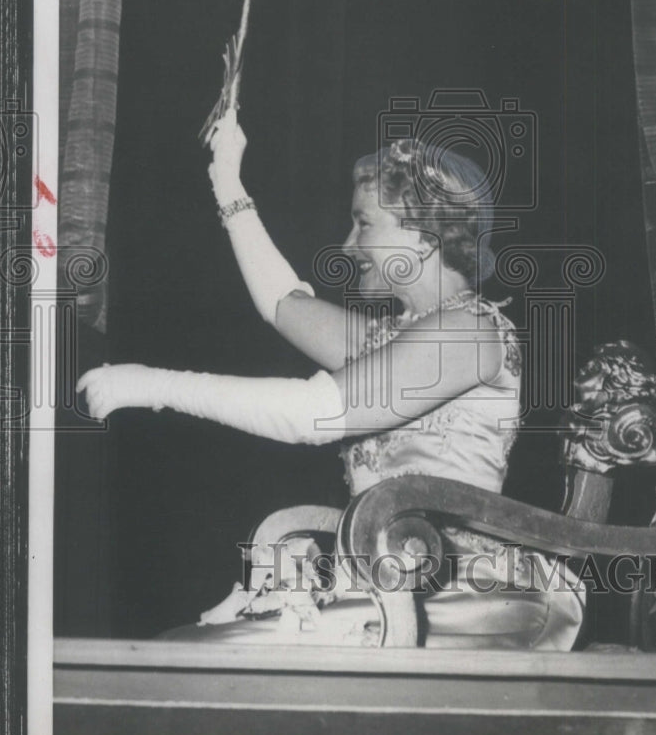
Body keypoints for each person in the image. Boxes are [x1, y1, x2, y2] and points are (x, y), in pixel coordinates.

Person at [77, 113, 584, 649]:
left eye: (364, 223)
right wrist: (226, 179)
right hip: (395, 589)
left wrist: (152, 386)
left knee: (202, 654)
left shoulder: (468, 332)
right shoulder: (400, 337)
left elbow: (307, 415)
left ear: (424, 234)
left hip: (459, 595)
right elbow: (283, 304)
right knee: (193, 649)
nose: (347, 245)